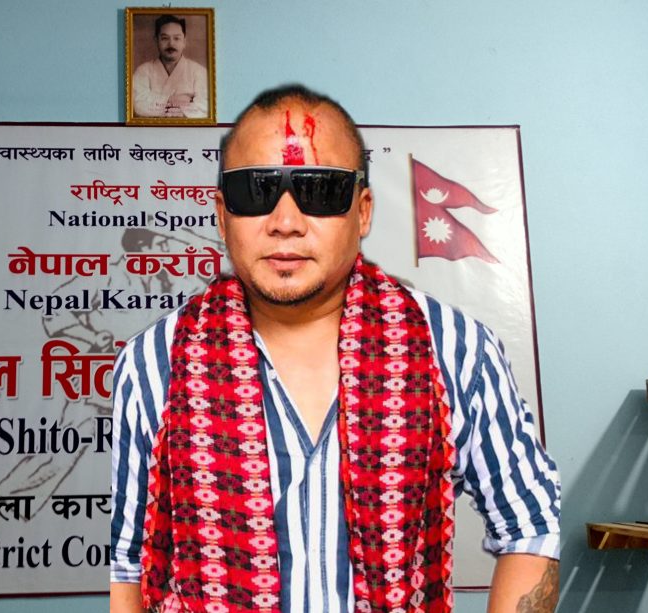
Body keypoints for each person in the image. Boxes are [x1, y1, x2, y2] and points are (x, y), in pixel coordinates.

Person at [110, 84, 561, 612]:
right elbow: (129, 563)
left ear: (362, 211)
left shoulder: (455, 350)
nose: (285, 223)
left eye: (320, 190)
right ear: (221, 213)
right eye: (255, 191)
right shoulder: (153, 363)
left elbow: (530, 526)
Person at [132, 15, 209, 119]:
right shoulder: (143, 71)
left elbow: (205, 107)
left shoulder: (199, 72)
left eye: (177, 38)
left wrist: (179, 113)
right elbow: (138, 105)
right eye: (165, 38)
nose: (171, 44)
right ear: (156, 40)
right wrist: (171, 100)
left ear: (184, 42)